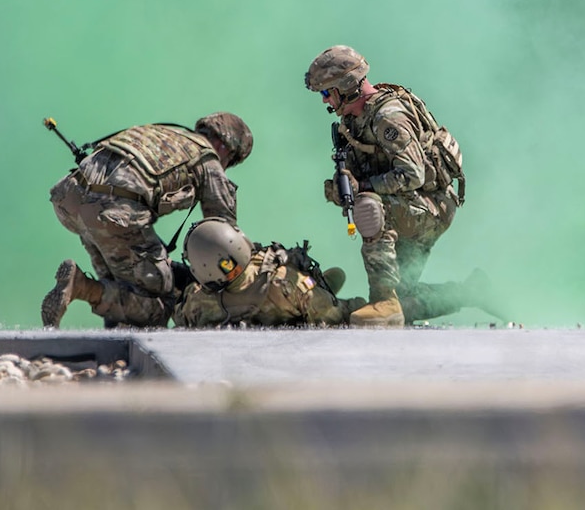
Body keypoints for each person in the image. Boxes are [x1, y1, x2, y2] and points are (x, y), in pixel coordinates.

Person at [304, 45, 497, 327]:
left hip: (430, 207)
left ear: (345, 86)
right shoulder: (353, 120)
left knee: (369, 206)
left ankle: (383, 302)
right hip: (410, 206)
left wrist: (363, 187)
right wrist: (342, 186)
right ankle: (470, 292)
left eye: (326, 93)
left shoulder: (388, 118)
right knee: (406, 300)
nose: (324, 101)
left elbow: (413, 174)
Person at [42, 113, 253, 329]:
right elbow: (225, 239)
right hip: (113, 212)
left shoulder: (165, 133)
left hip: (69, 199)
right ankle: (81, 286)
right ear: (225, 146)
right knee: (160, 303)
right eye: (231, 161)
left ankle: (114, 337)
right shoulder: (208, 159)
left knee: (123, 285)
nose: (226, 166)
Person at [172, 217, 367, 328]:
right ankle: (320, 291)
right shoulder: (282, 281)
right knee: (350, 307)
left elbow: (181, 318)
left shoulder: (197, 302)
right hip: (300, 306)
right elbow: (336, 316)